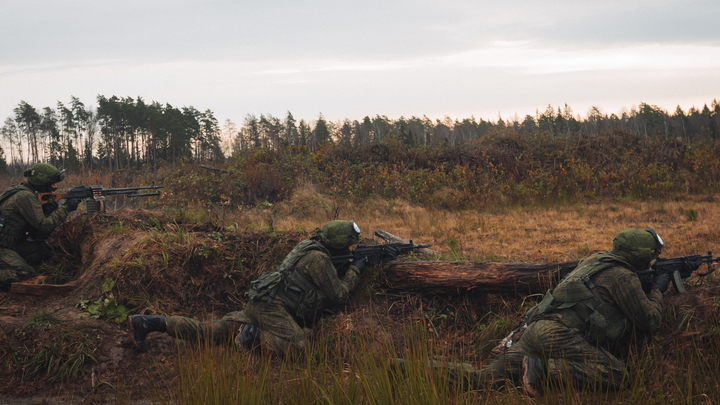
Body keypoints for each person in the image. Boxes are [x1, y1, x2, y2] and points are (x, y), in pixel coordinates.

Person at [395, 228, 694, 395]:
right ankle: (541, 369)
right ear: (643, 255)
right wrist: (659, 286)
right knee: (617, 375)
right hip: (560, 336)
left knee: (482, 378)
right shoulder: (623, 277)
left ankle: (402, 366)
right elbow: (650, 321)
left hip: (536, 328)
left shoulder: (594, 261)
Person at [130, 220, 367, 359]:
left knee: (210, 332)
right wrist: (356, 268)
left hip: (262, 301)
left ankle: (151, 322)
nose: (349, 246)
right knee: (300, 349)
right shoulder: (319, 259)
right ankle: (253, 337)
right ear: (337, 242)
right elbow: (339, 295)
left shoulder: (309, 246)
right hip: (272, 308)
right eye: (348, 242)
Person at [0, 163, 82, 289]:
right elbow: (44, 226)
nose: (54, 186)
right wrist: (66, 209)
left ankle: (11, 264)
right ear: (42, 181)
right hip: (3, 248)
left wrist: (47, 211)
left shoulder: (25, 193)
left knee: (44, 251)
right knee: (24, 273)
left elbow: (38, 235)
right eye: (52, 183)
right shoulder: (25, 196)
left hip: (11, 245)